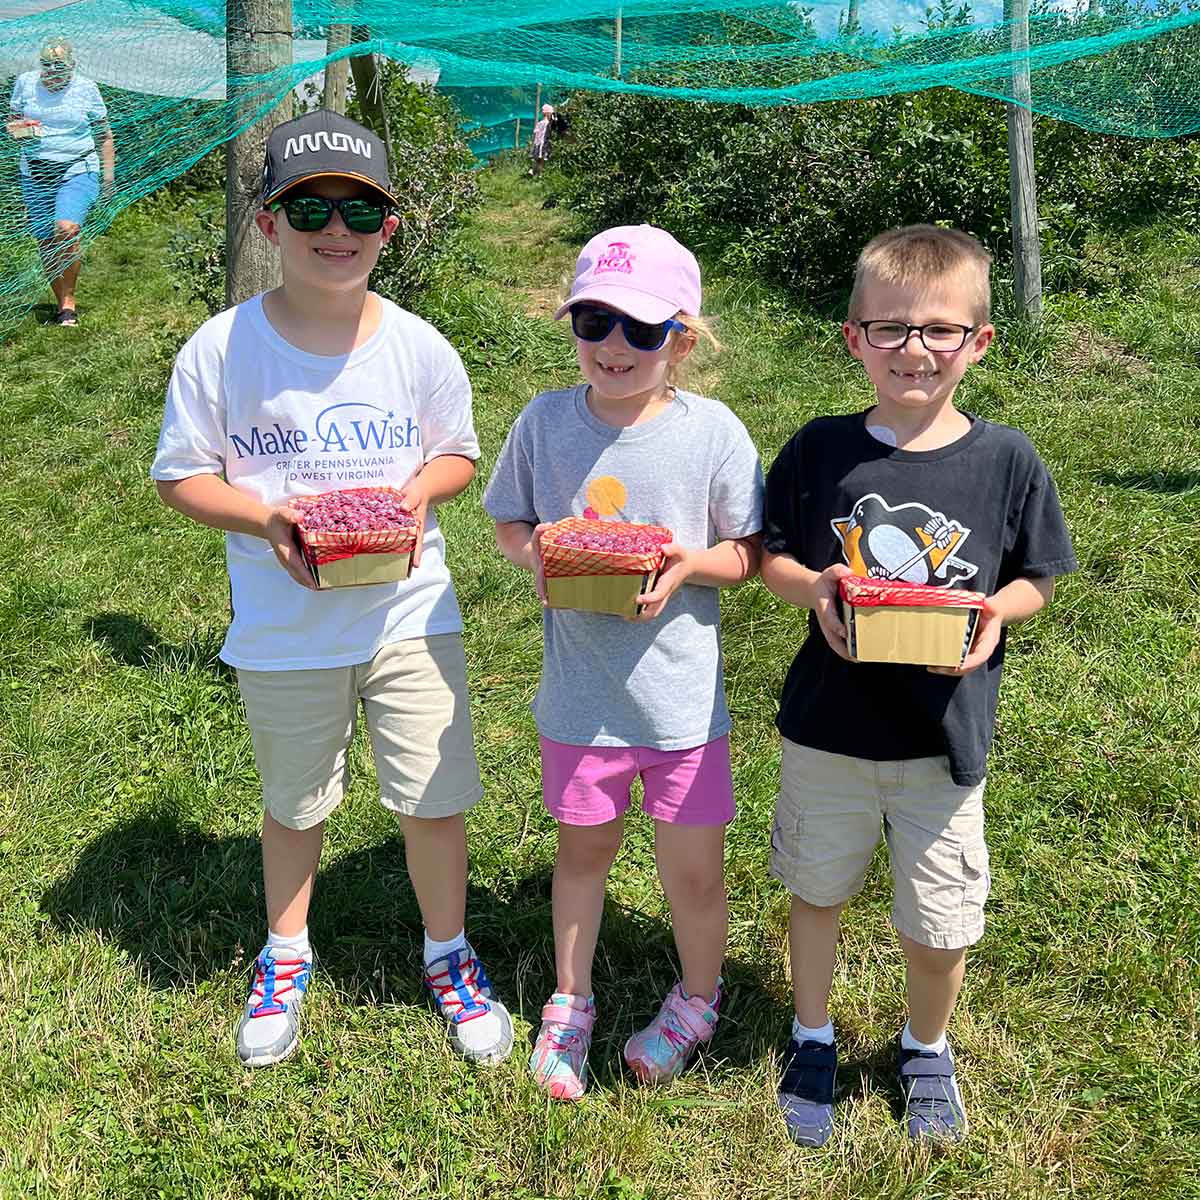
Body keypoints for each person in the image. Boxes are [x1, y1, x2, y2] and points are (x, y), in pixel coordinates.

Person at [150, 110, 512, 1069]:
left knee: (434, 796)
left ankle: (448, 952)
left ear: (389, 229)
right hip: (284, 624)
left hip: (407, 607)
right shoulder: (221, 350)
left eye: (359, 210)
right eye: (309, 206)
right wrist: (268, 521)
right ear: (268, 223)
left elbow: (456, 455)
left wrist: (411, 494)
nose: (335, 230)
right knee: (296, 802)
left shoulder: (420, 348)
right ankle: (285, 953)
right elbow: (180, 475)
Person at [761, 225, 1077, 1146]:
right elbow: (773, 558)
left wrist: (992, 615)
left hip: (945, 738)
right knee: (816, 892)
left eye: (940, 331)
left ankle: (924, 1047)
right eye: (890, 328)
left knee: (940, 922)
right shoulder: (822, 450)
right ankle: (811, 1033)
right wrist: (818, 587)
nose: (914, 350)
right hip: (829, 729)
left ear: (978, 343)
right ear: (853, 337)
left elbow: (1039, 577)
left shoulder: (1007, 459)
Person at [483, 225, 764, 1100]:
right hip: (581, 701)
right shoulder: (543, 421)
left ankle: (698, 998)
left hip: (680, 706)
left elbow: (746, 550)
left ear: (682, 337)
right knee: (583, 853)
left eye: (641, 331)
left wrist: (687, 563)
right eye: (594, 321)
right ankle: (570, 1000)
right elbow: (510, 520)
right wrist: (541, 556)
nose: (613, 347)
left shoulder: (711, 432)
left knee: (694, 869)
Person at [5, 36, 114, 326]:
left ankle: (70, 300)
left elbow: (104, 134)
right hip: (35, 171)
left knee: (66, 229)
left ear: (72, 65)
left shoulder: (85, 88)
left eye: (59, 65)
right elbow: (11, 128)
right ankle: (61, 305)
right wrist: (24, 129)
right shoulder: (26, 83)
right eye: (46, 64)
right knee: (46, 240)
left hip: (77, 167)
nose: (52, 70)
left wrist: (108, 177)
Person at [529, 103, 554, 176]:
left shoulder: (539, 123)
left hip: (537, 144)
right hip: (544, 145)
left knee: (536, 159)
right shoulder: (548, 124)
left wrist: (534, 143)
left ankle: (533, 171)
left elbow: (535, 134)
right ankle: (539, 174)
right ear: (548, 113)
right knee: (542, 160)